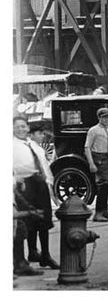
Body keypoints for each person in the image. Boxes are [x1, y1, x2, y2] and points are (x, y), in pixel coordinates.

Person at [13, 116, 59, 272]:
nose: (21, 129)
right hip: (25, 185)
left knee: (44, 221)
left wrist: (50, 187)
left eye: (23, 126)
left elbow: (45, 167)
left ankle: (45, 254)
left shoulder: (34, 146)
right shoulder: (11, 145)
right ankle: (30, 253)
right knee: (29, 221)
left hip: (40, 184)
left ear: (27, 128)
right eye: (17, 127)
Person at [84, 108, 108, 222]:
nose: (106, 119)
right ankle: (98, 213)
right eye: (103, 117)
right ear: (99, 118)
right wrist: (91, 163)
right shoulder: (93, 130)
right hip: (99, 158)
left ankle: (104, 211)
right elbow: (87, 147)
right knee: (102, 186)